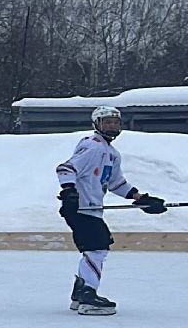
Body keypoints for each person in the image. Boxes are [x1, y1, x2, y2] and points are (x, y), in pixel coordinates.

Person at [57, 105, 167, 315]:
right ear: (96, 124)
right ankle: (88, 295)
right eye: (107, 122)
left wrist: (141, 199)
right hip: (80, 208)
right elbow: (66, 168)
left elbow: (116, 183)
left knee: (95, 248)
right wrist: (69, 192)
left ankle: (80, 294)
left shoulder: (111, 153)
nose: (112, 126)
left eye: (116, 122)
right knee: (97, 248)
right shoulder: (93, 146)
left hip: (91, 209)